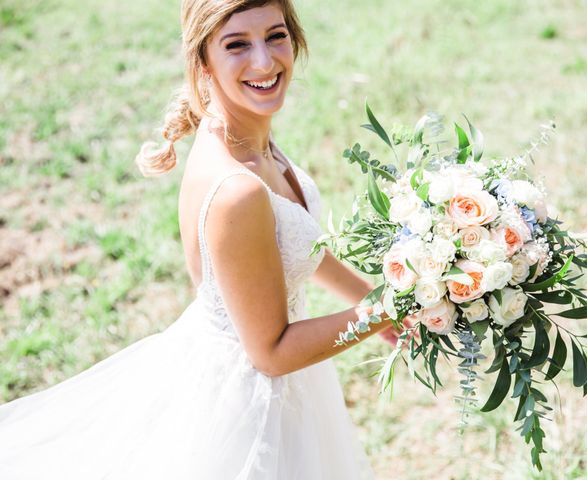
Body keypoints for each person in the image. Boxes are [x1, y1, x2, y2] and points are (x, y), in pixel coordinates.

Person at [0, 1, 396, 478]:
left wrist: (370, 298)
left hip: (287, 379)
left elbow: (297, 243)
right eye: (236, 45)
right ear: (202, 61)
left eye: (275, 35)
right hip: (248, 407)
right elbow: (270, 353)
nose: (265, 62)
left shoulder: (242, 131)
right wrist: (395, 306)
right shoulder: (237, 189)